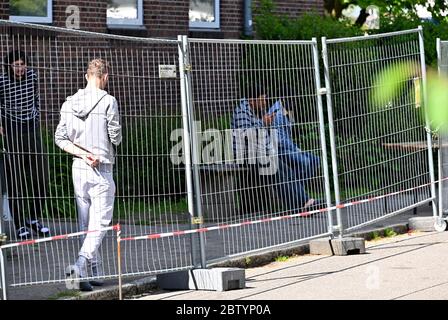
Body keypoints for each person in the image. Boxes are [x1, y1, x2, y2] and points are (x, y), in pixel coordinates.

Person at [55, 58, 121, 291]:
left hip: (79, 168)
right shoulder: (108, 101)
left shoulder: (69, 103)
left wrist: (82, 154)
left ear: (86, 76)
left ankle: (95, 271)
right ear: (105, 78)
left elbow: (60, 138)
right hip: (102, 168)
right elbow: (116, 137)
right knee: (100, 224)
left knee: (85, 224)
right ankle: (80, 266)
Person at [231, 84, 318, 211]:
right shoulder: (242, 112)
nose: (265, 102)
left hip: (260, 152)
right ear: (253, 100)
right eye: (263, 99)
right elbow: (246, 135)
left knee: (287, 170)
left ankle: (304, 202)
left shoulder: (253, 110)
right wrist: (263, 123)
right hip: (246, 155)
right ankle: (298, 206)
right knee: (277, 171)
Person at [0, 49, 50, 240]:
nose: (19, 68)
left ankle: (34, 218)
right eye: (16, 65)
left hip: (31, 129)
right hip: (12, 130)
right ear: (10, 66)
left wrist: (36, 116)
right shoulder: (3, 81)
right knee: (16, 178)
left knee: (41, 176)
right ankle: (20, 224)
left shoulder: (32, 76)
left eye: (22, 64)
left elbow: (36, 98)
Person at [266, 99, 320, 182]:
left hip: (288, 147)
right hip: (278, 150)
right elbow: (280, 140)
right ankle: (296, 187)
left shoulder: (286, 109)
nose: (294, 103)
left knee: (316, 160)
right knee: (305, 162)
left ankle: (300, 187)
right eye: (292, 100)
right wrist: (295, 149)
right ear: (283, 99)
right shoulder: (277, 114)